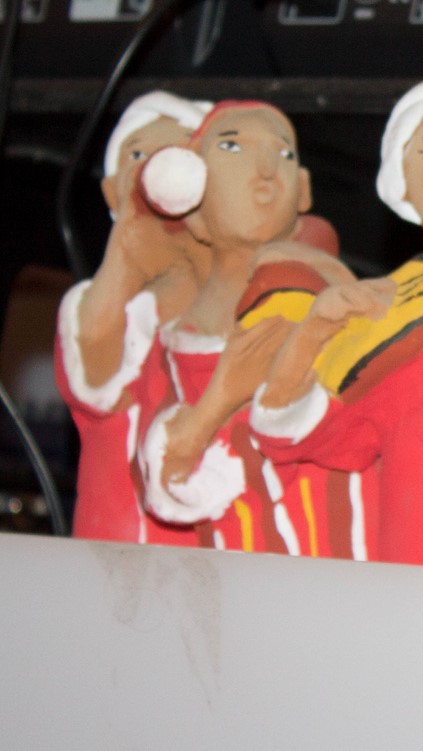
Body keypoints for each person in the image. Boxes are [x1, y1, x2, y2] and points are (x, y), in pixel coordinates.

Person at [250, 78, 423, 572]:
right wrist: (312, 333)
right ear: (404, 186)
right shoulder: (382, 306)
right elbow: (303, 432)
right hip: (414, 575)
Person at [136, 100, 356, 556]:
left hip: (337, 557)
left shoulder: (319, 294)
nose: (265, 170)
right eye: (233, 147)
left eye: (284, 153)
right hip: (235, 565)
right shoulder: (180, 334)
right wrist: (220, 398)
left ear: (303, 190)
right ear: (189, 188)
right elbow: (161, 475)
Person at [55, 91, 210, 546]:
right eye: (138, 155)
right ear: (111, 192)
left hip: (212, 552)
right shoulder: (89, 305)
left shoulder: (242, 302)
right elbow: (95, 375)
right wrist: (129, 240)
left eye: (181, 152)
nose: (159, 167)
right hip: (110, 542)